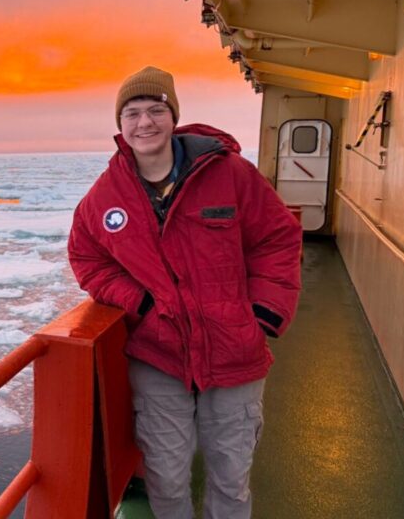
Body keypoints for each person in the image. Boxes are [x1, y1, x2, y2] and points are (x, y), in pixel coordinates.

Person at [67, 66, 302, 519]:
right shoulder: (106, 195)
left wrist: (265, 312)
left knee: (231, 479)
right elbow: (87, 258)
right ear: (121, 124)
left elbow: (278, 237)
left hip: (235, 349)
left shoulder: (228, 173)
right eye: (132, 113)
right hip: (158, 354)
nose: (145, 122)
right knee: (166, 478)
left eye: (156, 110)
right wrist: (139, 301)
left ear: (173, 116)